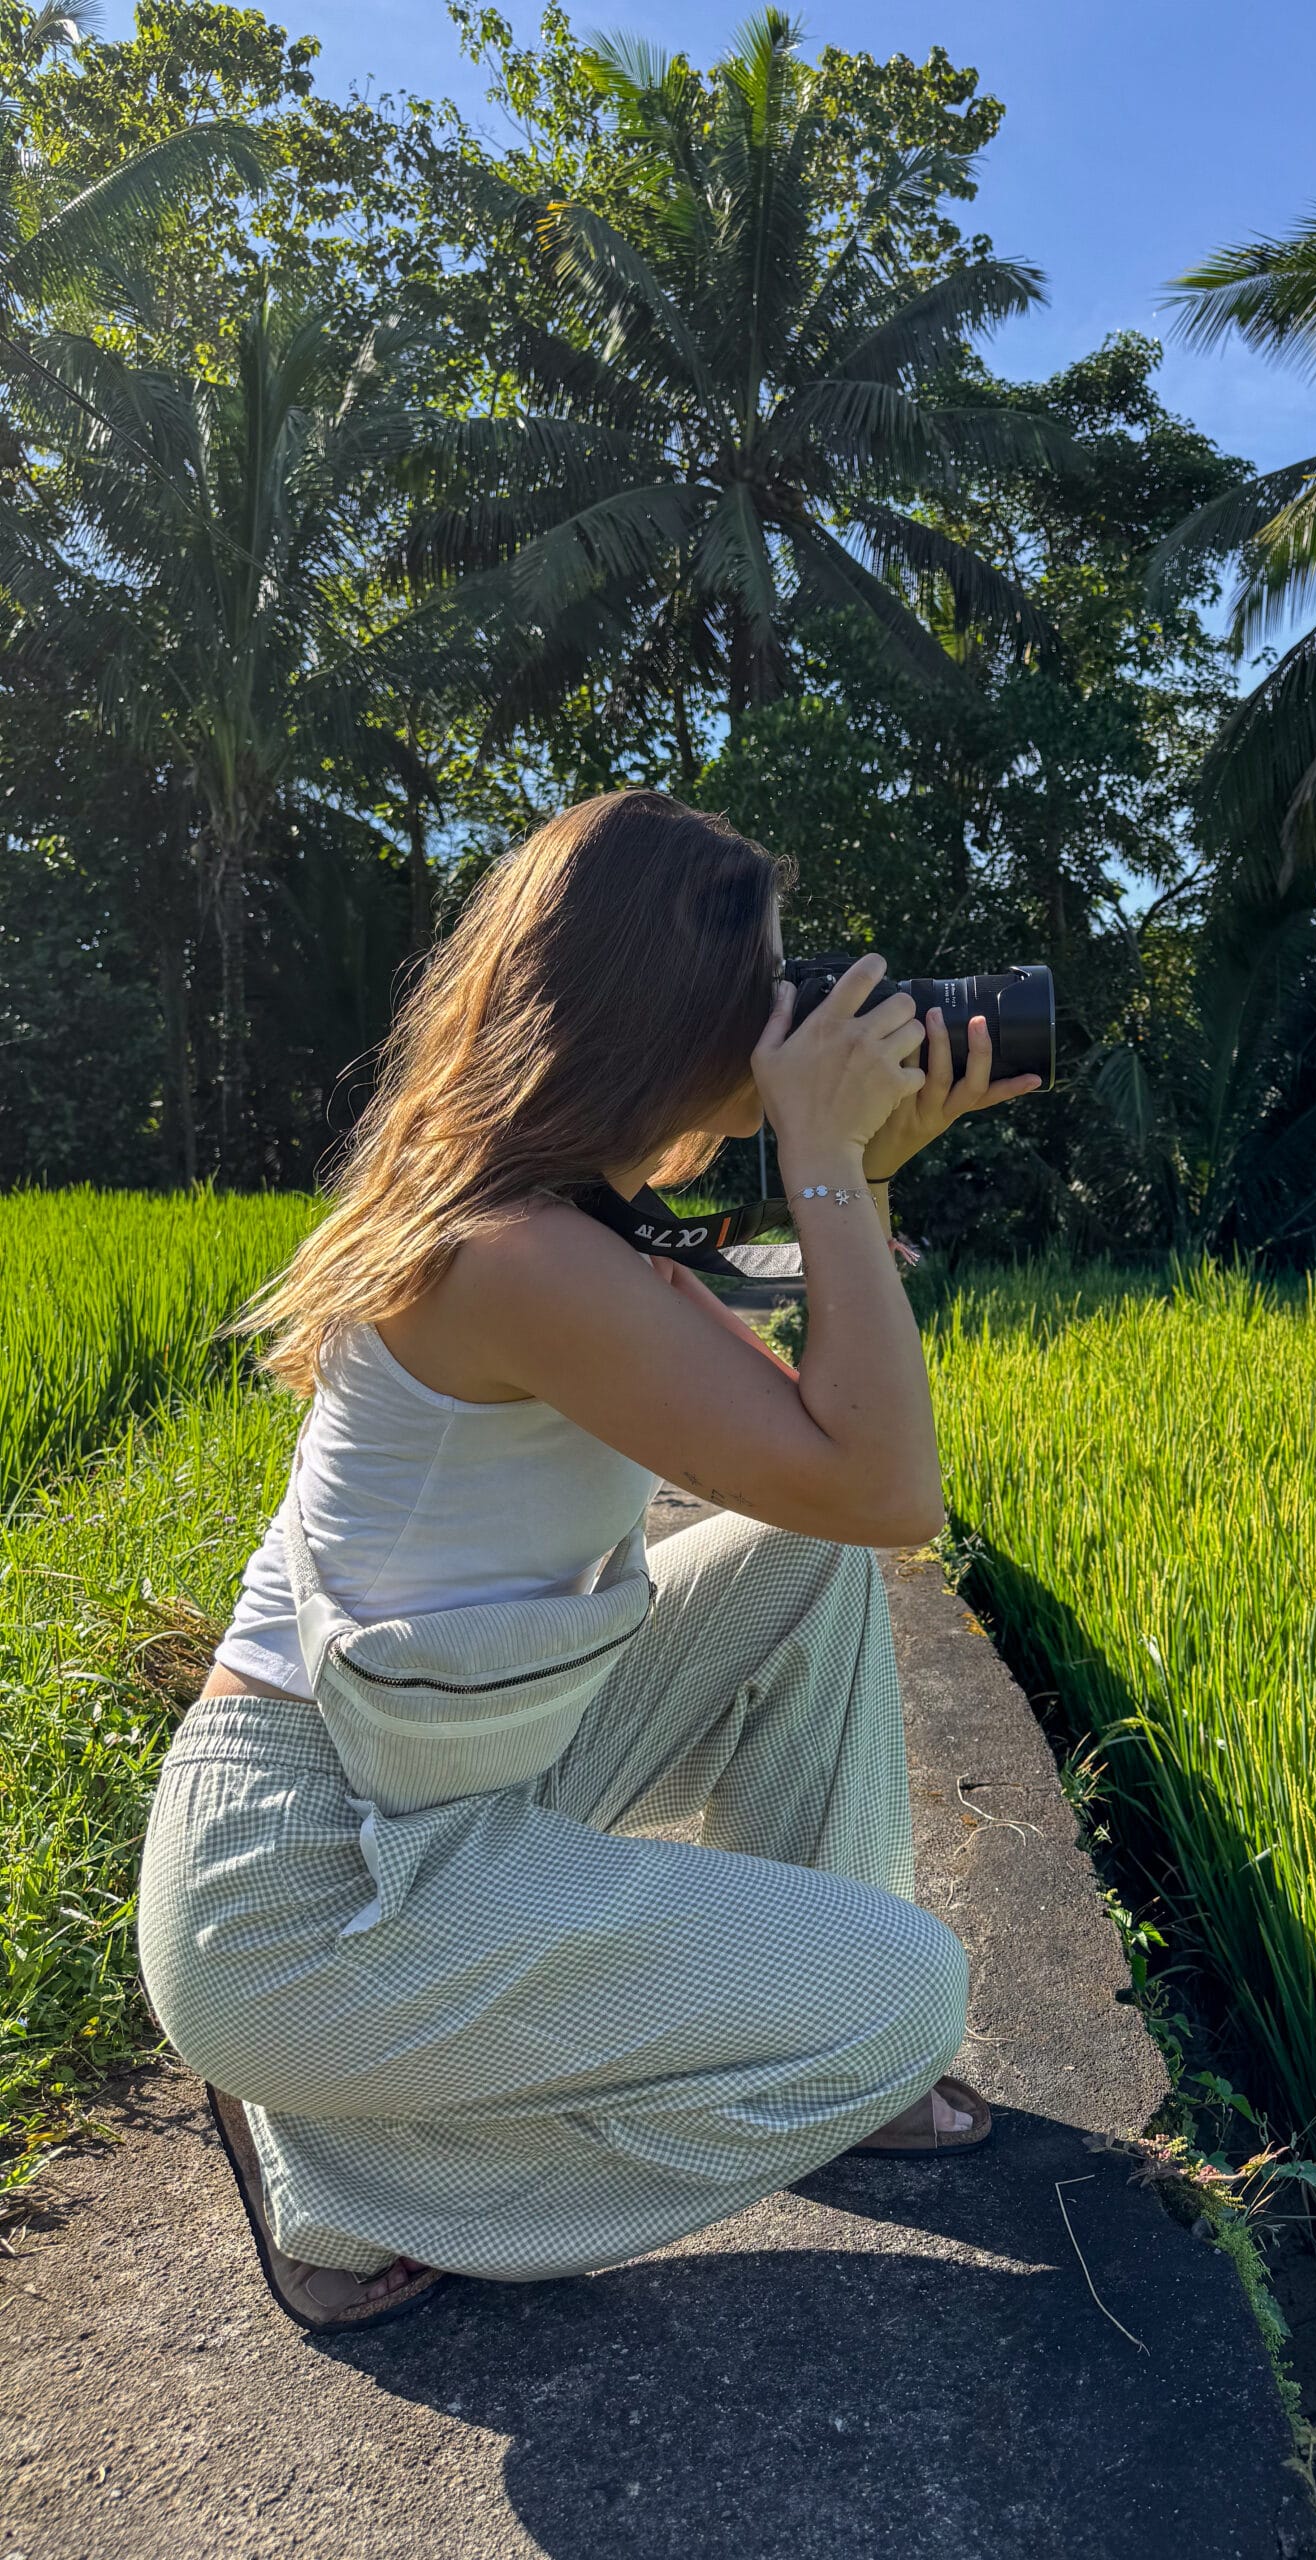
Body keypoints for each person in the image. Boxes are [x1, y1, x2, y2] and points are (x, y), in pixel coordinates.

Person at [136, 788, 1046, 2332]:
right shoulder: (513, 1258)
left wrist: (857, 1169)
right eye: (763, 982)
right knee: (908, 1990)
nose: (785, 1012)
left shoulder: (559, 1224)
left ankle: (825, 2067)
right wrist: (820, 1150)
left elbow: (822, 1467)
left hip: (440, 1788)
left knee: (792, 1562)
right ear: (662, 1004)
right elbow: (891, 1485)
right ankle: (336, 2158)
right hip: (308, 1893)